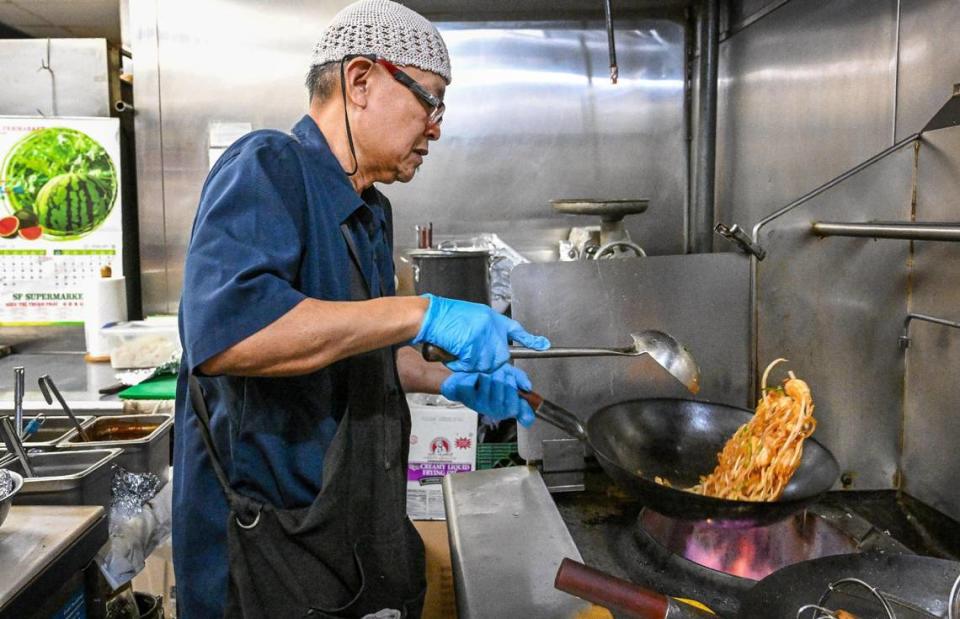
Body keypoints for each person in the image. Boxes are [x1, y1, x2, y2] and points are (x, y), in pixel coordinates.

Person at [172, 1, 550, 617]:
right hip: (267, 543)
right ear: (360, 81)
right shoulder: (269, 167)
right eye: (429, 100)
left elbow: (346, 347)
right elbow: (229, 336)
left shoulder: (369, 210)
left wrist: (443, 379)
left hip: (349, 532)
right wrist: (424, 312)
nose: (436, 127)